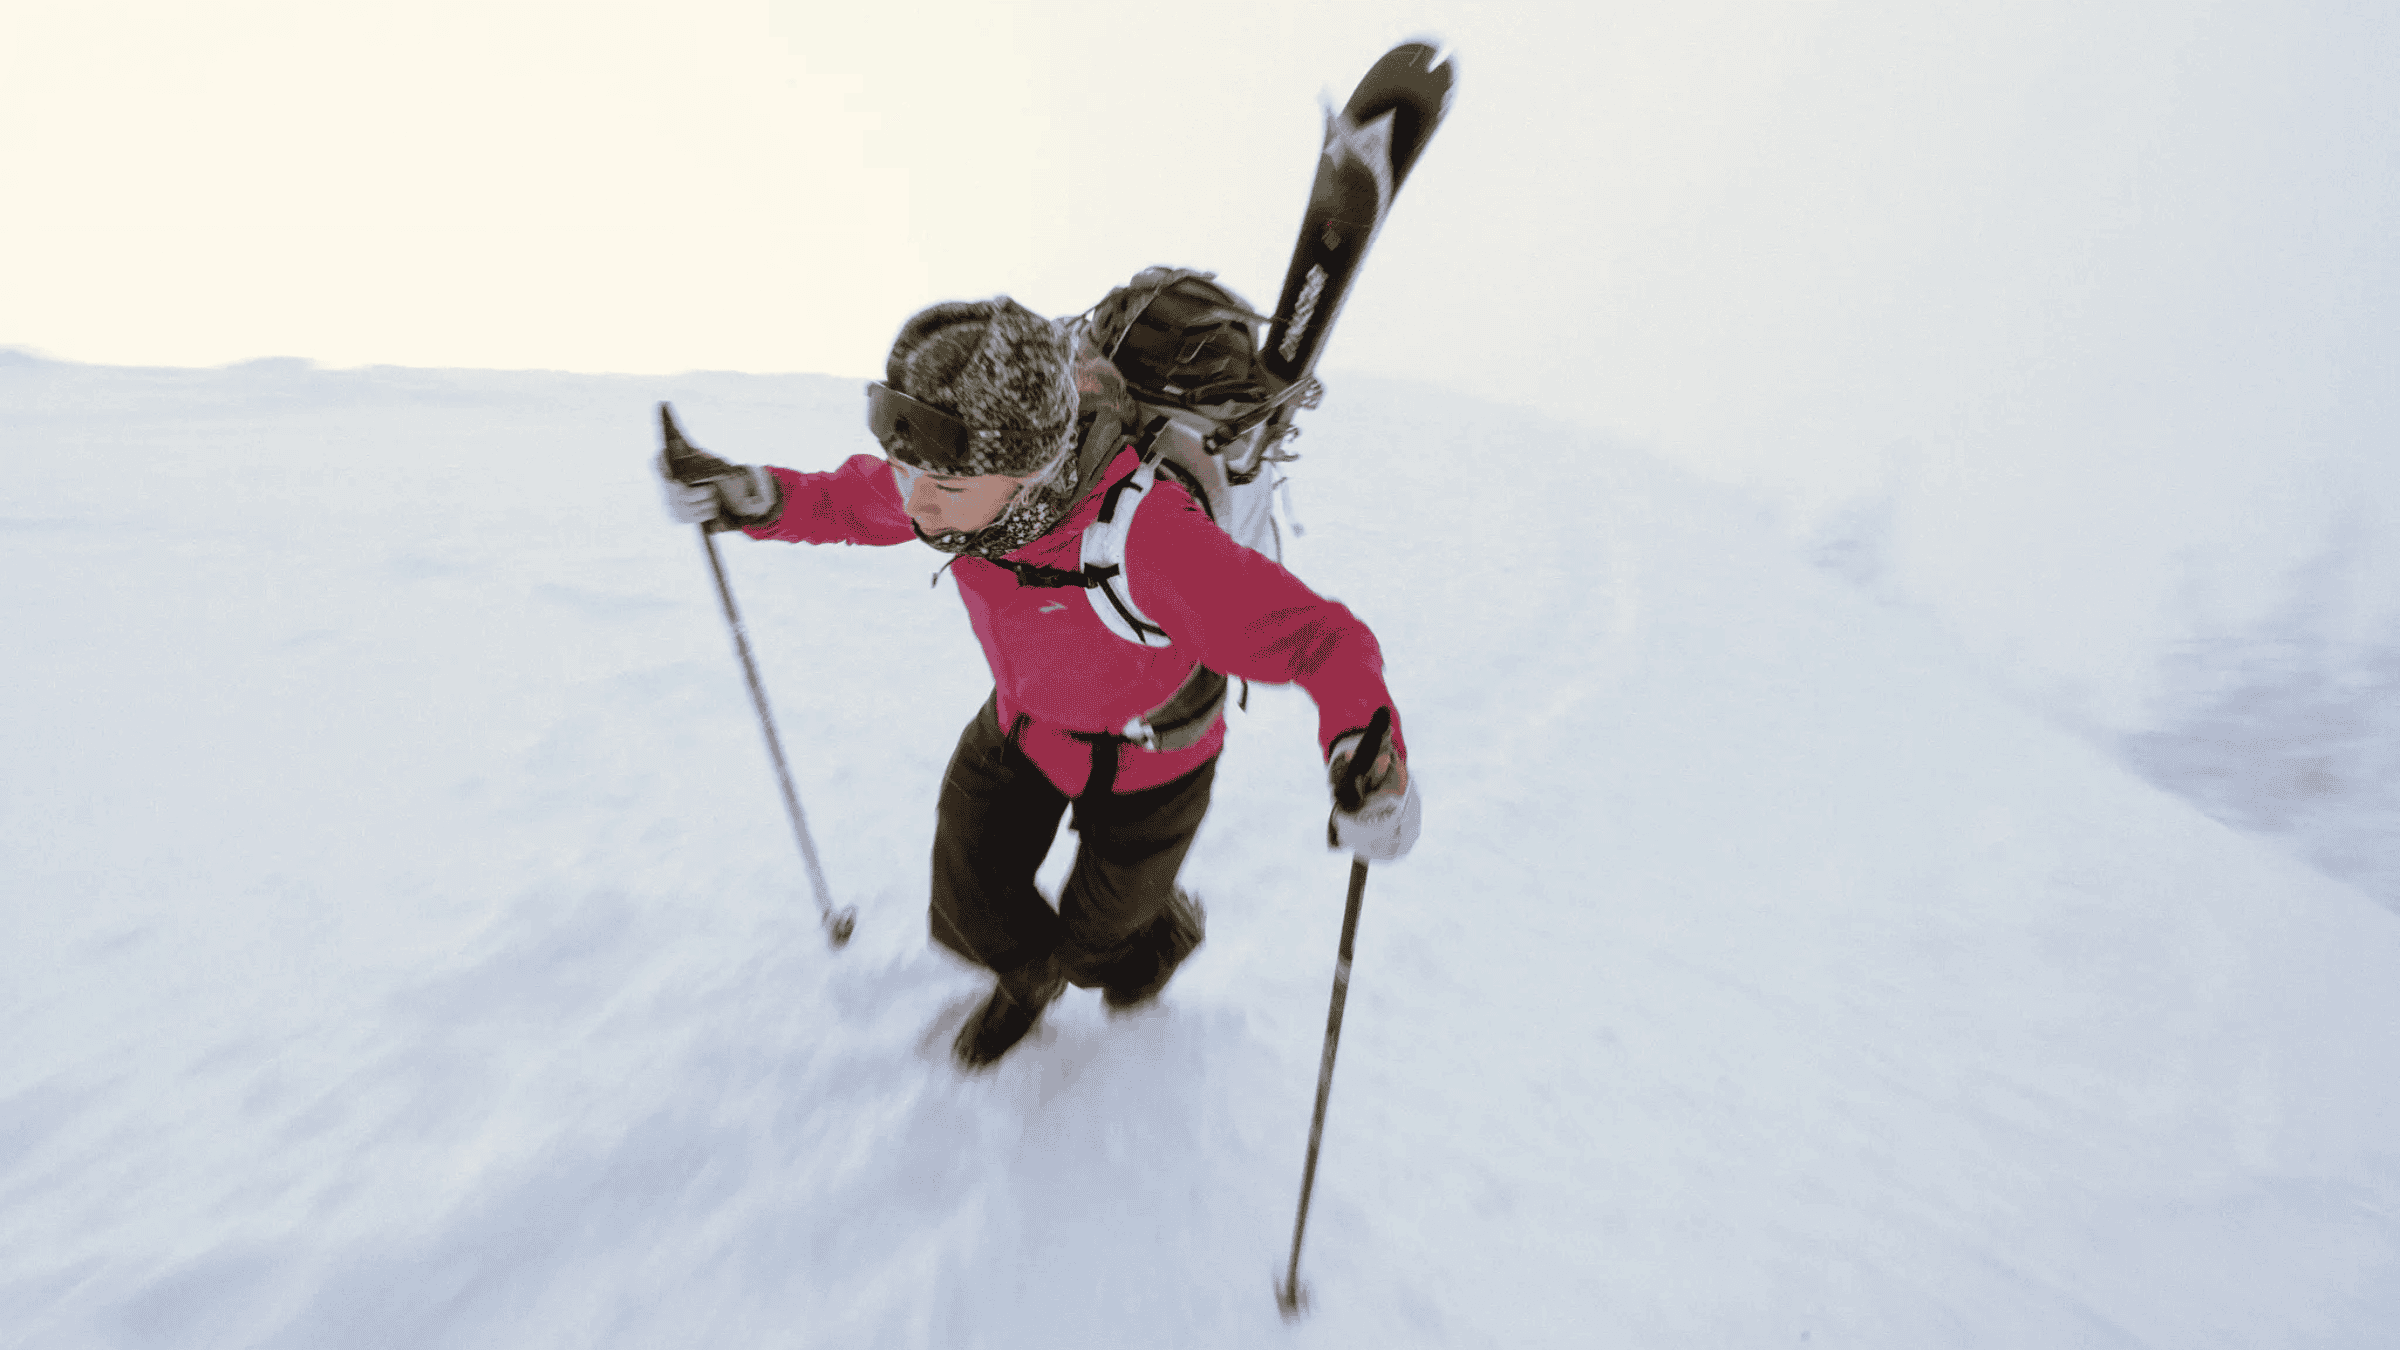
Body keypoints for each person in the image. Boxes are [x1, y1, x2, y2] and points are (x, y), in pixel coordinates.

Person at [657, 296, 1420, 1068]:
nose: (916, 504)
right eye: (906, 471)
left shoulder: (1149, 539)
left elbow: (1321, 640)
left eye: (945, 488)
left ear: (1032, 473)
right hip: (1025, 727)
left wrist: (1369, 753)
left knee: (1102, 950)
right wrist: (748, 495)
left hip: (1155, 759)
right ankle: (1026, 982)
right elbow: (850, 499)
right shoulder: (953, 483)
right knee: (969, 902)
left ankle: (1156, 935)